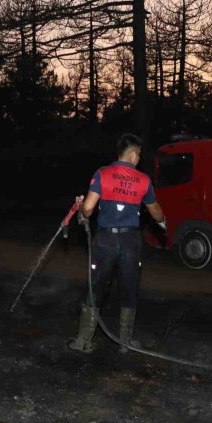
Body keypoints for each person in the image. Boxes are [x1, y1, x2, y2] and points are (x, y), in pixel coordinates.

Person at [68, 133, 166, 354]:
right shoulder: (143, 181)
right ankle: (125, 342)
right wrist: (162, 222)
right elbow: (156, 211)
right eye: (138, 155)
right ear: (132, 155)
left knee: (97, 287)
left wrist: (81, 208)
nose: (139, 158)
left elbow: (89, 209)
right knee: (129, 287)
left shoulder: (102, 174)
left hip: (105, 240)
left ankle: (83, 341)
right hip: (131, 240)